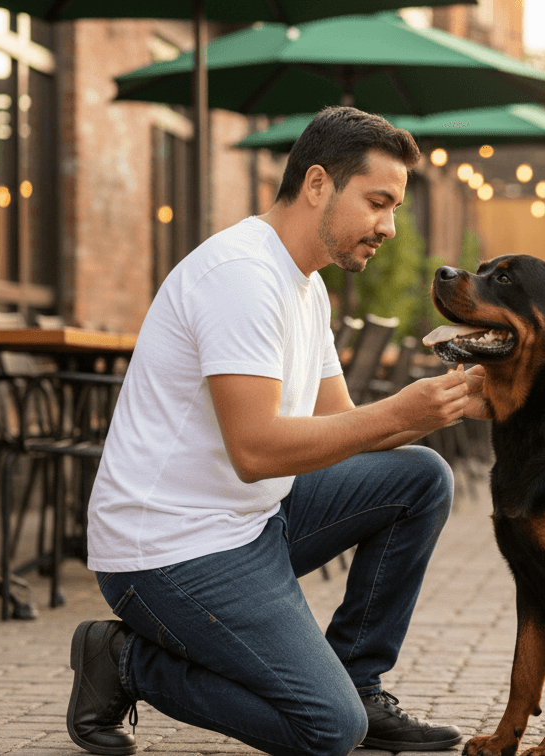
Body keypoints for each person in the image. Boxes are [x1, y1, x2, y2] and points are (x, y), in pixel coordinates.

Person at [66, 106, 485, 756]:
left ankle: (358, 680)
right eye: (378, 202)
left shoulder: (306, 287)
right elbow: (257, 450)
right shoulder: (240, 275)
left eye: (395, 208)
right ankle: (122, 661)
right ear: (318, 183)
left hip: (251, 522)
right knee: (328, 730)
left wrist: (453, 402)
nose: (390, 227)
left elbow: (345, 429)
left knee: (421, 478)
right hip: (169, 549)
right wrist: (403, 411)